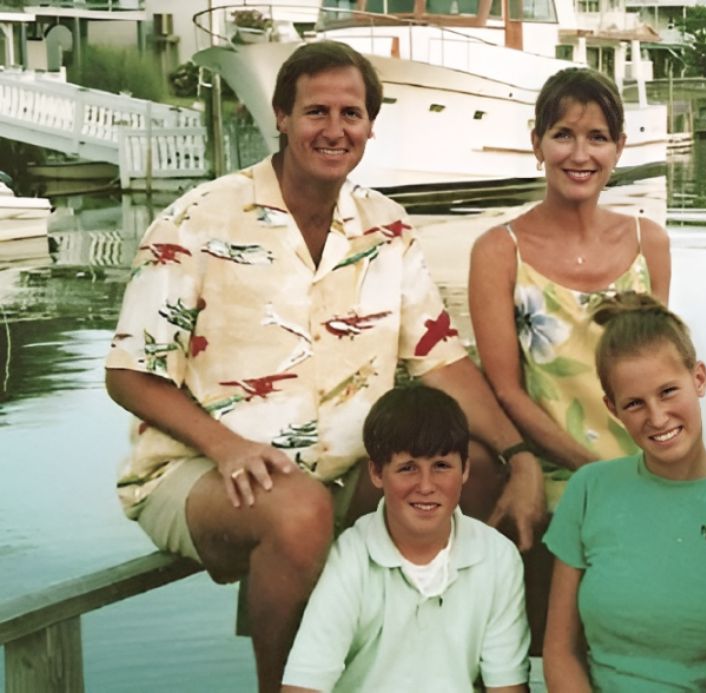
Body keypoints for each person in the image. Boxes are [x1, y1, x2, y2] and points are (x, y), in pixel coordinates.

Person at [104, 41, 544, 692]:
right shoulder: (198, 219)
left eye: (351, 113)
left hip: (342, 474)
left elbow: (443, 362)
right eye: (316, 111)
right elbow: (129, 372)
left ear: (370, 125)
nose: (334, 130)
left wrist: (521, 454)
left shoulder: (385, 228)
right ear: (279, 116)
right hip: (198, 471)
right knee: (297, 510)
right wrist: (225, 447)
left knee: (474, 470)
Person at [542, 293, 706, 692]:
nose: (656, 417)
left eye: (668, 391)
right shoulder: (589, 490)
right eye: (634, 403)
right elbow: (560, 652)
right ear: (613, 409)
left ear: (699, 378)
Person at [469, 66, 671, 510]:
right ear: (536, 143)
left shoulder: (648, 242)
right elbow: (507, 391)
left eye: (597, 138)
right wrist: (591, 472)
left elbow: (658, 372)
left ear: (619, 148)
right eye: (563, 135)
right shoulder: (499, 252)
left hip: (649, 463)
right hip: (553, 471)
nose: (580, 155)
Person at [281, 385, 530, 693]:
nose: (426, 486)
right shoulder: (351, 558)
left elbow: (506, 687)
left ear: (464, 469)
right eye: (407, 468)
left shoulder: (498, 557)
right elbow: (304, 685)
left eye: (441, 466)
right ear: (376, 472)